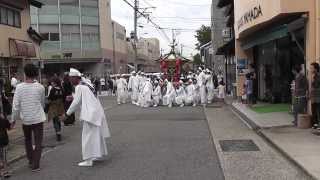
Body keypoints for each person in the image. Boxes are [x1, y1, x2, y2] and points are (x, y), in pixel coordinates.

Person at [64, 68, 111, 167]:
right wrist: (73, 97)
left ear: (76, 78)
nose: (70, 81)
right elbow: (84, 96)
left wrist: (67, 114)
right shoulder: (87, 84)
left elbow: (76, 103)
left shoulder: (79, 87)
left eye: (71, 79)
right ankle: (96, 155)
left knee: (87, 137)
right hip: (97, 113)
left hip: (90, 115)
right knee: (96, 135)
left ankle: (89, 160)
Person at [11, 64, 46, 172]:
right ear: (35, 74)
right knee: (38, 141)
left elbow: (15, 106)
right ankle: (36, 165)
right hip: (38, 119)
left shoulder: (19, 87)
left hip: (26, 119)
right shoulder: (40, 87)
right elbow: (42, 103)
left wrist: (13, 119)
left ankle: (30, 160)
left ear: (25, 73)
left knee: (27, 140)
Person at [47, 77, 65, 141]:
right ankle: (59, 132)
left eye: (52, 81)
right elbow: (64, 97)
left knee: (55, 120)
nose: (51, 83)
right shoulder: (62, 89)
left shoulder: (53, 89)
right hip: (61, 106)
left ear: (55, 82)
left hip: (54, 107)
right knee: (59, 120)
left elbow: (49, 98)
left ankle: (58, 133)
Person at [310, 62, 320, 130]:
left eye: (312, 68)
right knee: (313, 110)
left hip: (318, 96)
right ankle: (315, 123)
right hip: (314, 96)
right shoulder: (314, 75)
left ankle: (319, 124)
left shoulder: (318, 76)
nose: (310, 69)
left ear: (315, 69)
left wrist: (313, 79)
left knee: (318, 110)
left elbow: (316, 85)